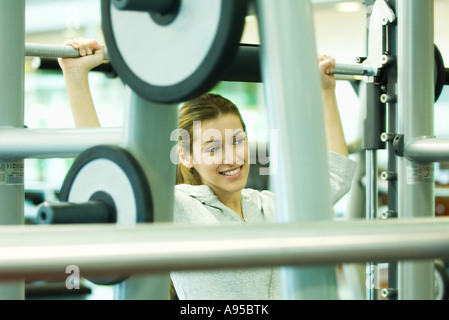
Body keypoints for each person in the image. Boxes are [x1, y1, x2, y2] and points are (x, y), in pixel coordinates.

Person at [59, 38, 357, 300]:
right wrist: (76, 79)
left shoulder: (268, 206)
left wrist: (325, 91)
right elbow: (108, 178)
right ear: (186, 157)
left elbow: (334, 175)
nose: (232, 157)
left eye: (238, 141)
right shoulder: (176, 209)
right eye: (213, 148)